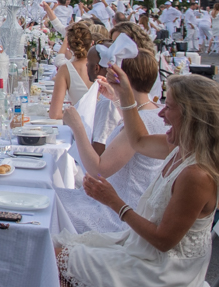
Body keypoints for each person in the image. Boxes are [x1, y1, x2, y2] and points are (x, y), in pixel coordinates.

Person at [55, 71, 219, 287]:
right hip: (143, 252)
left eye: (169, 107)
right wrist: (124, 94)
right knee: (57, 248)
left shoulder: (196, 175)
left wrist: (115, 202)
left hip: (163, 272)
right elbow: (139, 140)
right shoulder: (182, 148)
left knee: (56, 258)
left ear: (192, 117)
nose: (161, 113)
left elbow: (163, 241)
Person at [57, 51, 166, 234]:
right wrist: (116, 99)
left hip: (117, 215)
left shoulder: (142, 122)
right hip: (128, 205)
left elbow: (99, 170)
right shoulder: (156, 110)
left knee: (47, 205)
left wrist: (78, 127)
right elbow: (134, 122)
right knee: (49, 198)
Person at [49, 22, 93, 119]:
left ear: (68, 46)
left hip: (80, 126)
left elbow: (55, 114)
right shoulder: (103, 66)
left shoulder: (65, 69)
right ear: (92, 43)